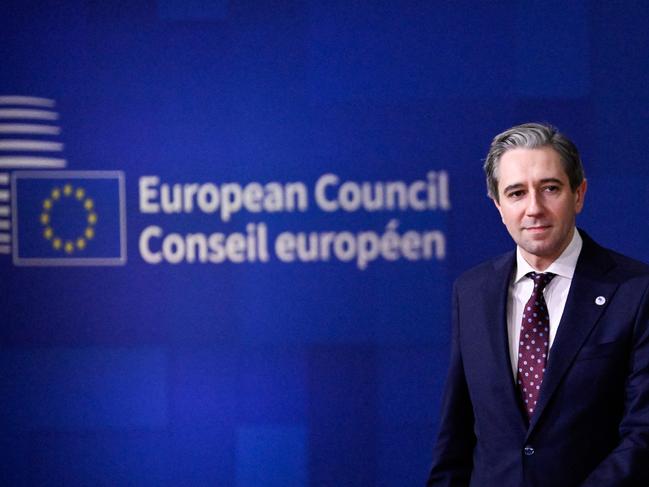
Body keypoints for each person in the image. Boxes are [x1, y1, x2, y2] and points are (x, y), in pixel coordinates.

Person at [427, 122, 649, 486]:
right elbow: (457, 434)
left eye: (550, 189)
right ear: (498, 206)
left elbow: (643, 436)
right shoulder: (471, 291)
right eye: (516, 193)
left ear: (579, 194)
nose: (534, 208)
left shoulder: (636, 290)